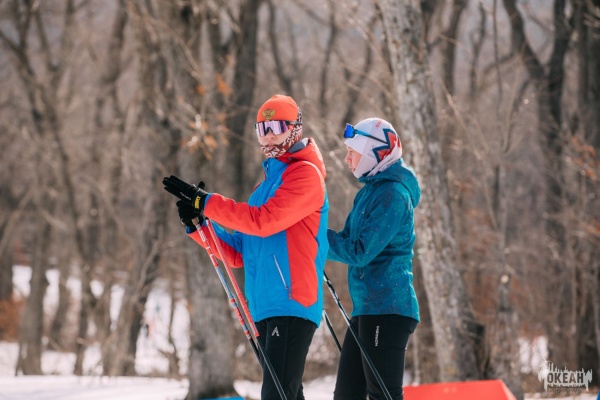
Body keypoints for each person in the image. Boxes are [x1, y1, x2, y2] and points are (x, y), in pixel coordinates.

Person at [163, 94, 329, 400]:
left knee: (277, 394)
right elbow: (240, 252)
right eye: (262, 129)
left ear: (295, 129)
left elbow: (263, 221)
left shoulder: (306, 175)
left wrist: (207, 202)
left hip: (290, 301)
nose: (268, 136)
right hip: (264, 306)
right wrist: (201, 225)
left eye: (277, 127)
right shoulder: (264, 187)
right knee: (287, 394)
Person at [327, 118, 420, 400]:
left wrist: (314, 239)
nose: (347, 159)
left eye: (352, 152)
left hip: (388, 308)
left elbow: (359, 251)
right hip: (368, 308)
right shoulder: (369, 193)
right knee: (347, 395)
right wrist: (311, 237)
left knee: (383, 395)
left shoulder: (393, 195)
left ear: (373, 153)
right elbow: (345, 240)